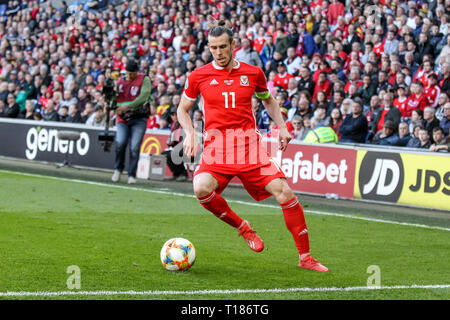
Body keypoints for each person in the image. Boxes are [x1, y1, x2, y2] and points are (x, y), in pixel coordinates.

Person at [177, 22, 328, 272]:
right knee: (201, 188)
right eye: (213, 48)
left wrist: (281, 126)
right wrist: (190, 133)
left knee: (284, 192)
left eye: (223, 46)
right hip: (217, 147)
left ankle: (306, 257)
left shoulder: (253, 73)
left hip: (249, 147)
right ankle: (243, 228)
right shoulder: (198, 76)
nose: (218, 52)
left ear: (233, 45)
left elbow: (268, 100)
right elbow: (183, 109)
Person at [111, 58, 151, 184]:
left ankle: (131, 174)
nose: (128, 76)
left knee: (134, 146)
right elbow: (114, 98)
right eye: (127, 73)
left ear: (136, 72)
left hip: (139, 118)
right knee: (120, 143)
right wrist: (114, 106)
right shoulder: (120, 81)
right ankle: (118, 169)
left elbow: (143, 96)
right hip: (122, 118)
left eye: (131, 74)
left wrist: (127, 106)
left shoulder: (144, 79)